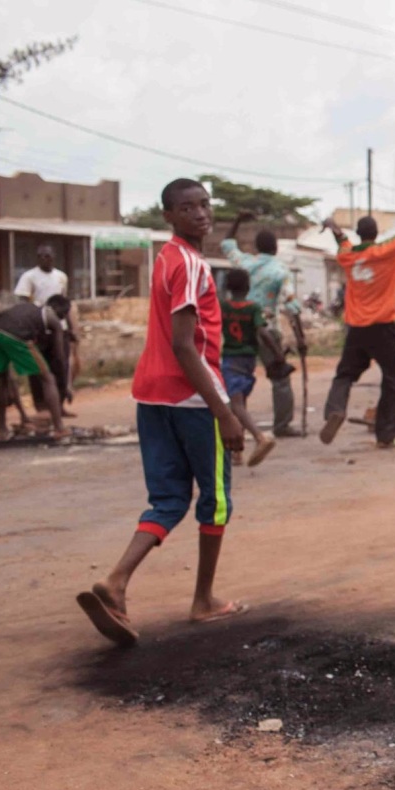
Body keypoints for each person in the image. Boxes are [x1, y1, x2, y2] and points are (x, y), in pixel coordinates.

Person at [75, 178, 249, 648]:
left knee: (169, 499)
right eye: (187, 207)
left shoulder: (166, 258)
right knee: (215, 498)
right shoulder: (190, 264)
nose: (200, 213)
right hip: (191, 398)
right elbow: (184, 344)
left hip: (150, 395)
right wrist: (225, 413)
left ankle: (115, 583)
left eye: (204, 204)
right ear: (168, 216)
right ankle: (204, 600)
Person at [320, 167, 395, 447]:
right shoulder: (386, 250)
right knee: (392, 380)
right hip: (382, 326)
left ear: (359, 234)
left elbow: (343, 244)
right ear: (376, 233)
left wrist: (333, 226)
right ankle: (386, 435)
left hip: (356, 328)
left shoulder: (349, 258)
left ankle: (335, 410)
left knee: (345, 374)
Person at [221, 211, 303, 437]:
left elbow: (227, 244)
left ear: (256, 246)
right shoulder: (280, 270)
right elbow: (291, 304)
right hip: (267, 329)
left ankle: (234, 424)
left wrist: (236, 220)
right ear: (275, 248)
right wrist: (300, 336)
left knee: (236, 381)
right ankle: (282, 425)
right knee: (280, 378)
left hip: (239, 331)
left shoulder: (243, 262)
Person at [0, 294, 72, 439]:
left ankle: (1, 428)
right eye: (64, 316)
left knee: (2, 382)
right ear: (62, 312)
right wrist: (64, 384)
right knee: (48, 378)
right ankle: (59, 427)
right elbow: (59, 356)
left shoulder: (25, 307)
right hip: (17, 336)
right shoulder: (52, 317)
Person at [219, 268, 281, 467]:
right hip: (248, 360)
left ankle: (259, 437)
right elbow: (262, 332)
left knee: (235, 405)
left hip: (231, 359)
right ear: (248, 286)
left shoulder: (223, 307)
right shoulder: (253, 308)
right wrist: (277, 353)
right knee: (241, 403)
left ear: (227, 287)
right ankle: (237, 451)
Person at [14, 244, 77, 413]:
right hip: (39, 328)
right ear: (37, 257)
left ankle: (60, 404)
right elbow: (23, 303)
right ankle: (41, 406)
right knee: (38, 368)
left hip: (59, 327)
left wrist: (71, 328)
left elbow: (65, 303)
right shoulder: (29, 277)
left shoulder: (61, 277)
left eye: (48, 256)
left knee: (60, 365)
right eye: (41, 256)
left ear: (53, 257)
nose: (45, 259)